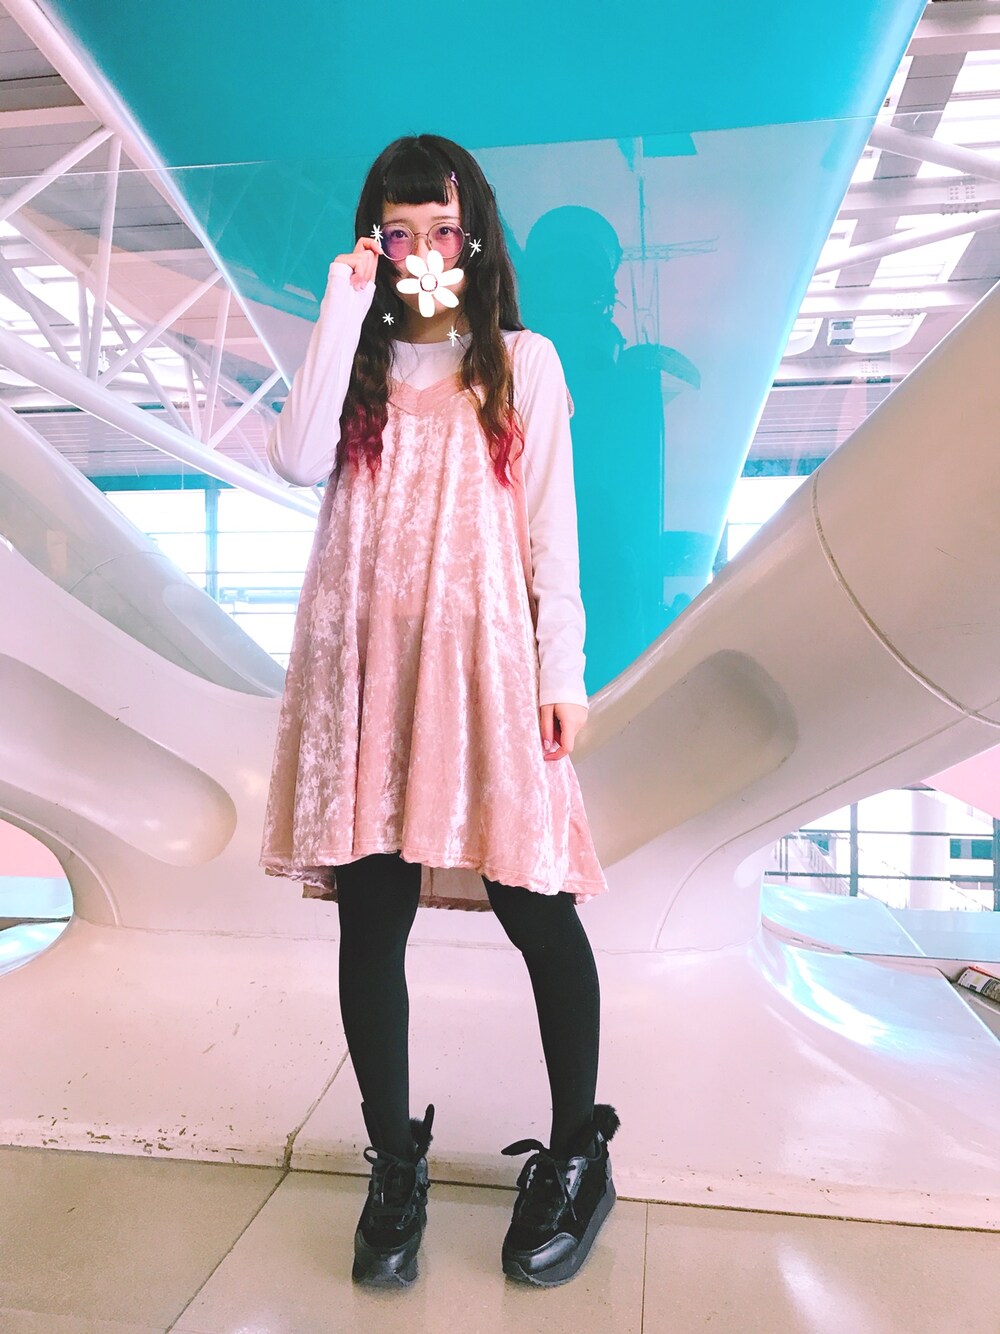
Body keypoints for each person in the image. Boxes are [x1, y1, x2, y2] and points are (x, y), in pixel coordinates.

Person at [259, 134, 619, 1289]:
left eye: (442, 231)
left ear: (474, 238)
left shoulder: (521, 362)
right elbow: (294, 456)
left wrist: (561, 672)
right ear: (373, 240)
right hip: (365, 671)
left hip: (481, 668)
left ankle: (577, 1151)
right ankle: (394, 1162)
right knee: (371, 919)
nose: (423, 251)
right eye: (398, 232)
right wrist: (341, 302)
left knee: (535, 901)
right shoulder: (355, 364)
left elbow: (551, 534)